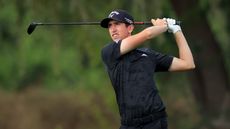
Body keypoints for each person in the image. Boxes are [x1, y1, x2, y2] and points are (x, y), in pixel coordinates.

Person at [100, 9, 195, 129]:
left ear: (130, 28)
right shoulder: (108, 52)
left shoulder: (147, 55)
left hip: (155, 121)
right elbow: (148, 34)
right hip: (128, 124)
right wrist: (164, 26)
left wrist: (177, 30)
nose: (113, 29)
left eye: (117, 24)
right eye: (109, 26)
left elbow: (188, 64)